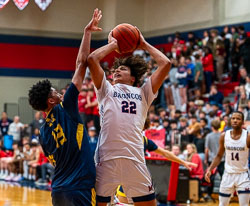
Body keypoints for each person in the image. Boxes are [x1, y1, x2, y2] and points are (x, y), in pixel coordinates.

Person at [87, 26, 172, 205]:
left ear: (132, 78)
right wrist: (113, 45)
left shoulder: (144, 93)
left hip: (134, 159)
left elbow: (166, 64)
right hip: (106, 159)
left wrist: (143, 44)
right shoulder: (106, 90)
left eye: (122, 69)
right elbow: (92, 59)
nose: (116, 71)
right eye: (115, 70)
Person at [28, 9, 102, 206]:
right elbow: (81, 64)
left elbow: (55, 160)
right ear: (51, 101)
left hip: (59, 190)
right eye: (54, 91)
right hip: (80, 188)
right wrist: (87, 33)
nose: (58, 92)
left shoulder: (42, 132)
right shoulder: (66, 107)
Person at [205, 111, 250, 206]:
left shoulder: (247, 136)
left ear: (242, 122)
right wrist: (210, 169)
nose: (235, 120)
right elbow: (219, 155)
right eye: (233, 118)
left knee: (244, 204)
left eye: (238, 119)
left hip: (243, 175)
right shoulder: (224, 136)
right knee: (222, 204)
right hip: (228, 174)